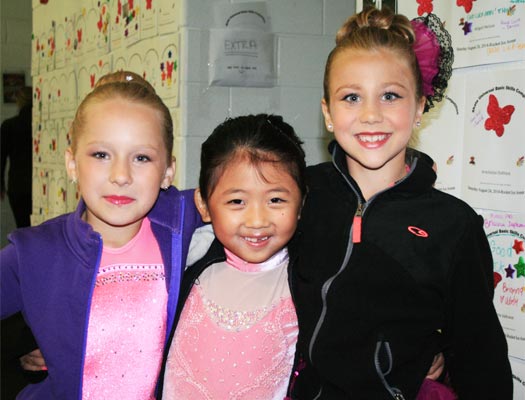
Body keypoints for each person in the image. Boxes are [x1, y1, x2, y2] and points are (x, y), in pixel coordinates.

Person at [287, 6, 513, 399]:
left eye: (390, 95)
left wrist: (437, 350)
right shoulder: (299, 193)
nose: (371, 115)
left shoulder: (454, 226)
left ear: (421, 106)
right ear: (327, 111)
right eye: (351, 97)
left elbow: (481, 358)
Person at [0, 71, 202, 399]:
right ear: (72, 163)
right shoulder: (34, 251)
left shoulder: (183, 220)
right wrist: (24, 344)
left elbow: (262, 186)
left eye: (141, 157)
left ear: (168, 171)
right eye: (101, 155)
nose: (120, 175)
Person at [158, 114, 306, 399]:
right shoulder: (186, 259)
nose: (257, 219)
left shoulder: (308, 281)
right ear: (204, 204)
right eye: (237, 201)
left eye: (276, 200)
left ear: (302, 203)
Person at [1, 85, 33, 228]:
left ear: (19, 102)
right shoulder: (42, 124)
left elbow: (1, 158)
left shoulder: (9, 125)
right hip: (40, 180)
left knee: (22, 226)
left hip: (18, 184)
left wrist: (0, 184)